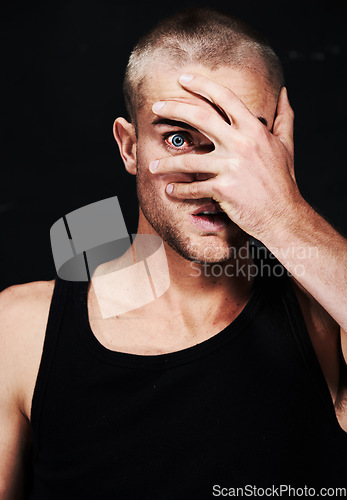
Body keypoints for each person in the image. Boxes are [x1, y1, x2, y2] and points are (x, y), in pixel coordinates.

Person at [0, 7, 346, 499]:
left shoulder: (325, 320)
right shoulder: (20, 331)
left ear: (277, 148)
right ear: (130, 147)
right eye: (179, 139)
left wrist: (282, 212)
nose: (212, 176)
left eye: (240, 143)